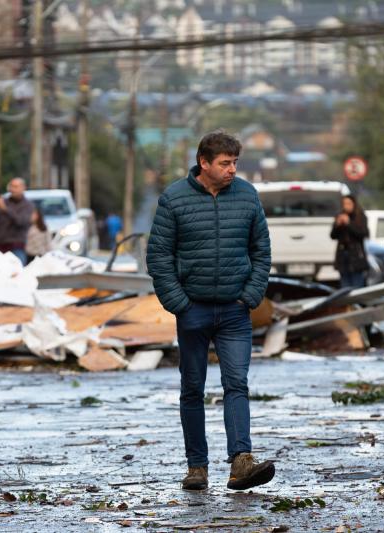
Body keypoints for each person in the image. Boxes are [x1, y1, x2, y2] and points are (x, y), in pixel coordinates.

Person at [146, 131, 274, 492]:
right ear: (204, 163)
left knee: (237, 384)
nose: (232, 169)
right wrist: (179, 304)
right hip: (193, 311)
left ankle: (241, 462)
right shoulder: (174, 198)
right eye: (224, 163)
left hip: (235, 311)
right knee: (192, 388)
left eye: (235, 162)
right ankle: (197, 467)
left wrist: (250, 296)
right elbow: (159, 257)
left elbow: (262, 251)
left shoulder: (247, 196)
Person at [0, 178, 34, 265]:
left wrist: (5, 209)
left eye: (16, 187)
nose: (12, 189)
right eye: (11, 186)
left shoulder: (28, 205)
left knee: (17, 275)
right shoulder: (4, 201)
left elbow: (21, 221)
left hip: (16, 247)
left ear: (23, 188)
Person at [330, 194, 369, 289]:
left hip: (356, 256)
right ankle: (347, 303)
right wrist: (337, 225)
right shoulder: (339, 216)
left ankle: (356, 303)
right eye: (344, 204)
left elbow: (363, 233)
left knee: (357, 286)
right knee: (345, 286)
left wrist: (349, 224)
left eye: (348, 203)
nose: (346, 206)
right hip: (343, 256)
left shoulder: (360, 217)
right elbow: (333, 236)